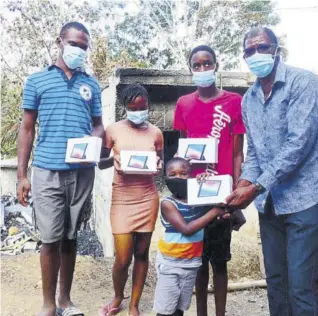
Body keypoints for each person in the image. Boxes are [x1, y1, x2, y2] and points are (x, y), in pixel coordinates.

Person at [226, 27, 318, 316]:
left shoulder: (304, 83)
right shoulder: (248, 99)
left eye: (261, 47)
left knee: (300, 285)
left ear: (276, 50)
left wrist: (255, 187)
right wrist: (243, 184)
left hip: (307, 197)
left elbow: (299, 144)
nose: (255, 55)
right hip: (271, 202)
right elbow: (255, 153)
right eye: (249, 51)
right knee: (275, 282)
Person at [16, 22, 104, 316]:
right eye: (74, 43)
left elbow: (98, 125)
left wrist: (94, 143)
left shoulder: (90, 85)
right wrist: (22, 176)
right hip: (47, 170)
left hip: (81, 173)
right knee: (50, 239)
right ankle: (48, 304)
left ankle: (65, 301)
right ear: (60, 41)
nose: (78, 50)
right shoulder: (38, 80)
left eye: (83, 46)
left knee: (70, 237)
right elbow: (27, 129)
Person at [173, 45, 246, 316]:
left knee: (220, 262)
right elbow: (182, 155)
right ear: (190, 69)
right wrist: (182, 192)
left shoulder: (234, 102)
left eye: (207, 64)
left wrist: (237, 196)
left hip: (222, 193)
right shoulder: (183, 104)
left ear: (216, 65)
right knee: (198, 262)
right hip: (196, 194)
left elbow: (238, 153)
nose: (203, 69)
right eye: (197, 65)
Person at [98, 84, 163, 316]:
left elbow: (160, 162)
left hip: (147, 197)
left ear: (147, 105)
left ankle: (134, 304)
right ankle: (118, 295)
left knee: (142, 254)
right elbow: (100, 162)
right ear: (125, 107)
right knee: (123, 258)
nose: (138, 111)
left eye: (142, 106)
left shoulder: (156, 132)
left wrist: (158, 165)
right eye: (133, 107)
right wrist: (116, 161)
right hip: (123, 197)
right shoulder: (113, 130)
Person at [154, 157, 228, 316]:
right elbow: (187, 229)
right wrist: (214, 212)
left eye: (183, 173)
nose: (178, 177)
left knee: (179, 309)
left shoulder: (198, 199)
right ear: (166, 178)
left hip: (191, 264)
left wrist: (204, 182)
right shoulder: (168, 203)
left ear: (191, 176)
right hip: (170, 265)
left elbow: (217, 198)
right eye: (172, 174)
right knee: (166, 310)